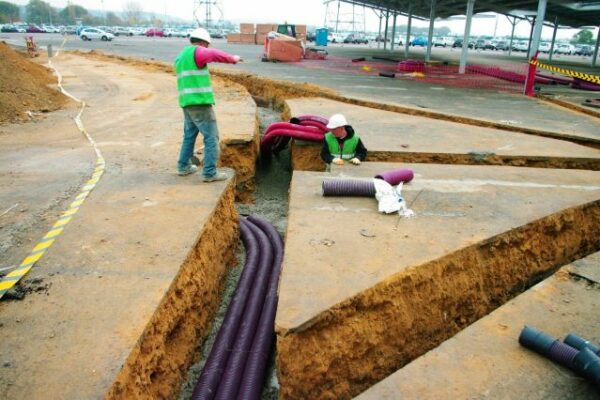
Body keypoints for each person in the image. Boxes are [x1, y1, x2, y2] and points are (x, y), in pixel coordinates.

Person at [174, 27, 241, 181]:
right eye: (207, 45)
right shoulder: (197, 51)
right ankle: (209, 173)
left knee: (189, 136)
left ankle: (183, 166)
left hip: (187, 103)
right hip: (200, 104)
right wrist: (232, 59)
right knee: (211, 137)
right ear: (203, 42)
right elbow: (212, 54)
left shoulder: (180, 57)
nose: (207, 48)